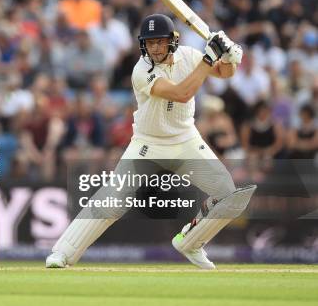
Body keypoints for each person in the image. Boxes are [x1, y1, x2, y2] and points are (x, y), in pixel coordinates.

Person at [45, 14, 253, 270]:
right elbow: (181, 93)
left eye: (160, 42)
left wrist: (231, 57)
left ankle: (190, 242)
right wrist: (210, 57)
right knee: (113, 199)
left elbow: (223, 72)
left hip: (185, 140)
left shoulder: (188, 56)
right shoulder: (141, 71)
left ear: (172, 41)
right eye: (150, 42)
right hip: (148, 145)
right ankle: (62, 253)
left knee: (227, 195)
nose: (155, 48)